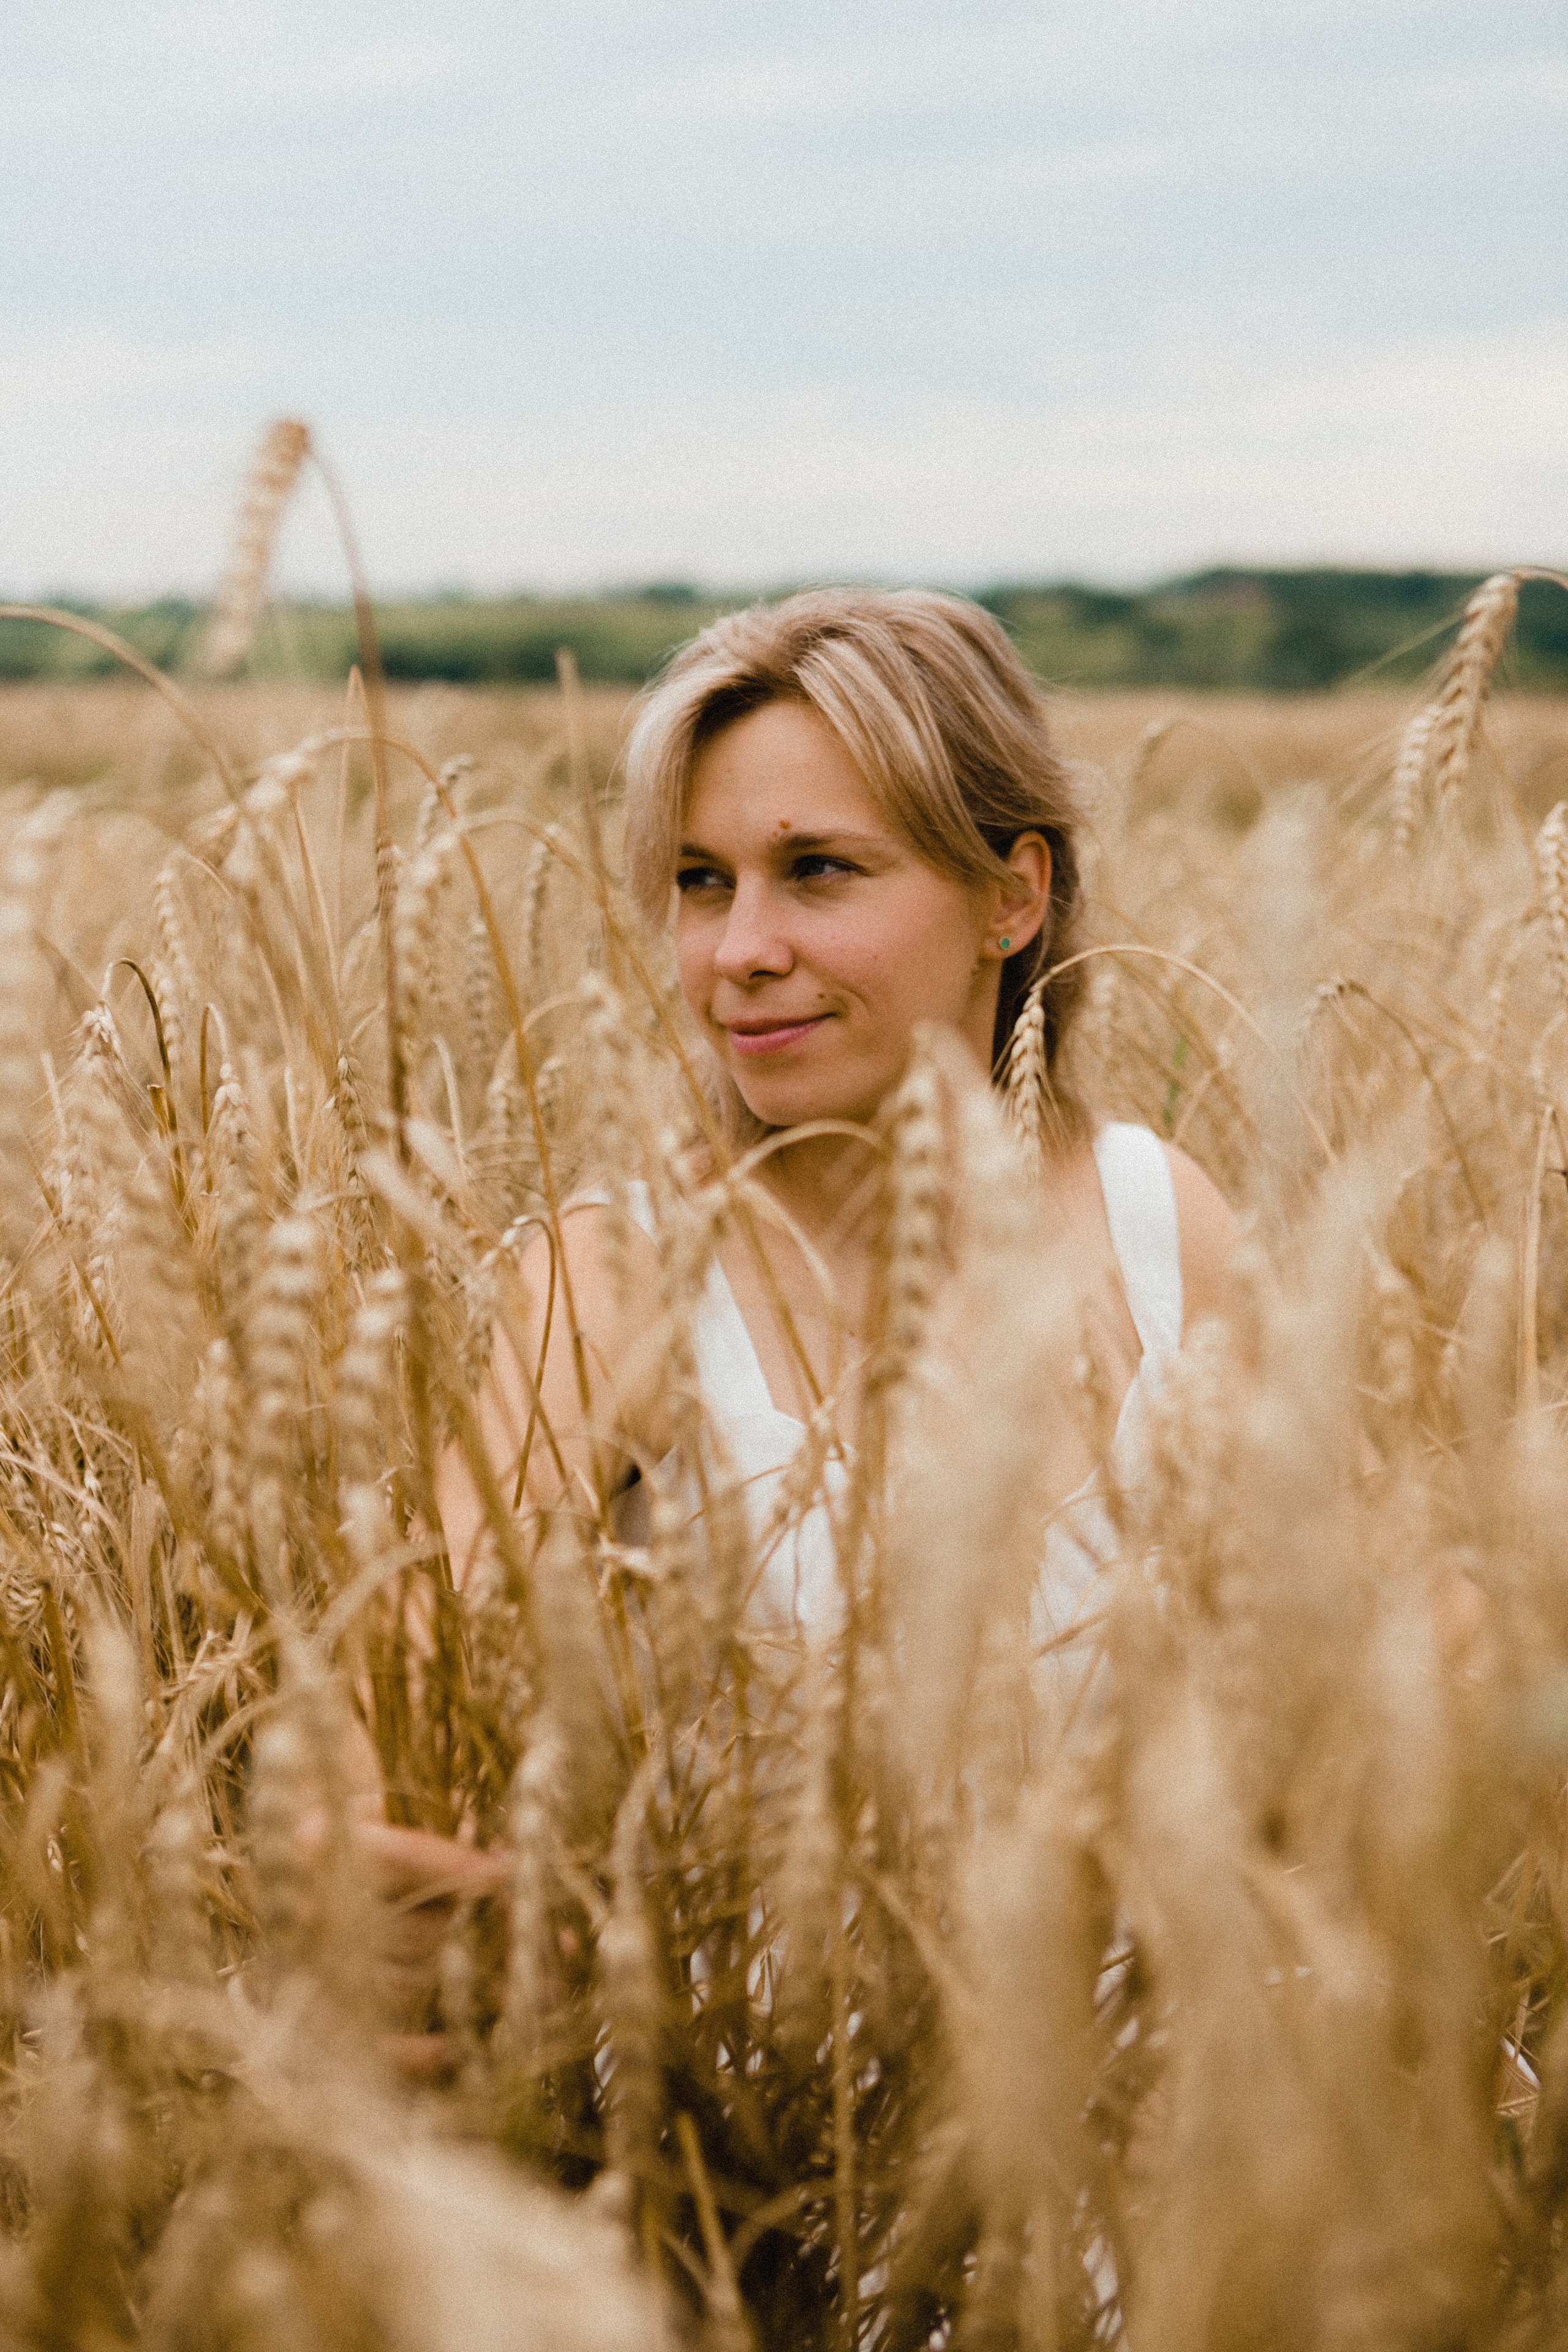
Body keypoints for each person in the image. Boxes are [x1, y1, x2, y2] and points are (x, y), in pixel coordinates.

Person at [366, 588, 1236, 2029]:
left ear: (1009, 896)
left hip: (1179, 2125)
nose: (735, 950)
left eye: (816, 870)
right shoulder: (617, 1274)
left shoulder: (1158, 1222)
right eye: (702, 882)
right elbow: (407, 1680)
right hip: (794, 2153)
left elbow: (1343, 1668)